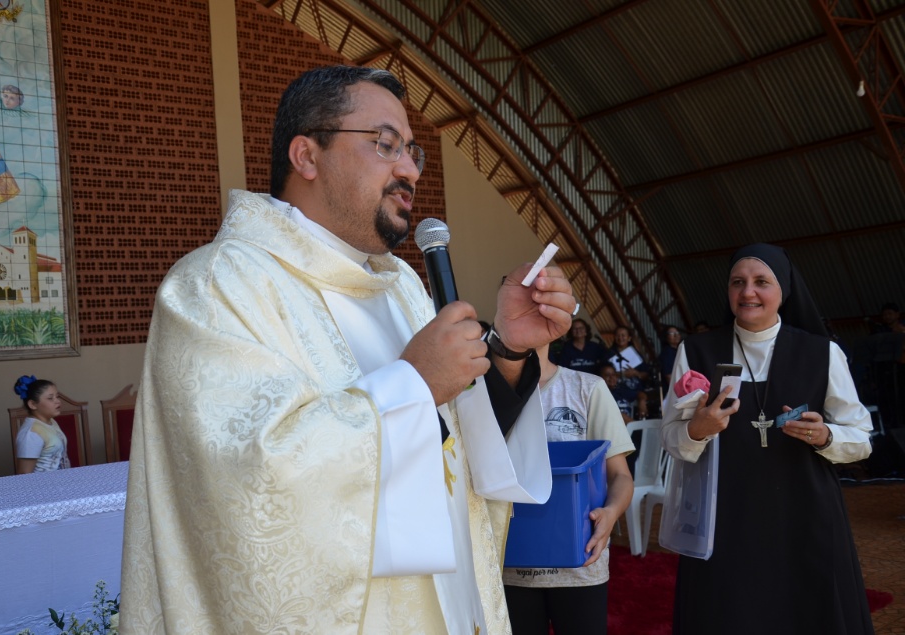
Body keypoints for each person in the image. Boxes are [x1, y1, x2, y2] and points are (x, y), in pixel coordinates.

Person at [120, 65, 576, 634]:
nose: (409, 168)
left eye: (412, 151)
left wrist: (506, 351)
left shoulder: (401, 285)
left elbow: (457, 444)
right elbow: (251, 480)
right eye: (385, 144)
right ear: (307, 156)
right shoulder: (217, 285)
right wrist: (413, 385)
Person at [661, 243, 874, 635]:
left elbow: (861, 437)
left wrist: (826, 436)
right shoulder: (696, 351)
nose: (748, 292)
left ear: (784, 290)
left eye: (762, 282)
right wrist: (698, 430)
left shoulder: (822, 352)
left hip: (805, 514)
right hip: (726, 517)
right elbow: (672, 438)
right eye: (737, 282)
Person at [502, 345, 634, 635]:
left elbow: (621, 476)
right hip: (508, 569)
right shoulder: (482, 393)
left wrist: (610, 514)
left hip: (579, 566)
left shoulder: (588, 388)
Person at [12, 375, 70, 474]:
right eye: (50, 398)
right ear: (33, 404)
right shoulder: (31, 433)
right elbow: (24, 473)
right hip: (44, 486)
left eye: (57, 396)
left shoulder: (51, 421)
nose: (57, 401)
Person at [605, 326, 650, 393]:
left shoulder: (636, 353)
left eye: (623, 335)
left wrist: (636, 373)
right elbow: (604, 375)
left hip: (637, 390)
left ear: (629, 338)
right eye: (618, 335)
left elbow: (646, 374)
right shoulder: (609, 354)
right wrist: (621, 374)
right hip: (617, 391)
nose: (620, 338)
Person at [659, 324, 682, 390]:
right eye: (672, 333)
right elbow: (669, 376)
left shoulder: (679, 349)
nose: (676, 335)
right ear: (666, 337)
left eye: (677, 332)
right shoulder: (667, 353)